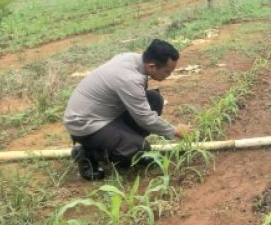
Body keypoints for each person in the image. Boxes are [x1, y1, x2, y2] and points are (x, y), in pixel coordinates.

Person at [64, 39, 192, 180]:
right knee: (139, 149)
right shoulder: (129, 79)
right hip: (86, 123)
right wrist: (175, 131)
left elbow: (141, 107)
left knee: (154, 100)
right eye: (167, 72)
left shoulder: (132, 58)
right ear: (152, 66)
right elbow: (145, 118)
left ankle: (122, 144)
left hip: (105, 113)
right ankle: (88, 154)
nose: (169, 75)